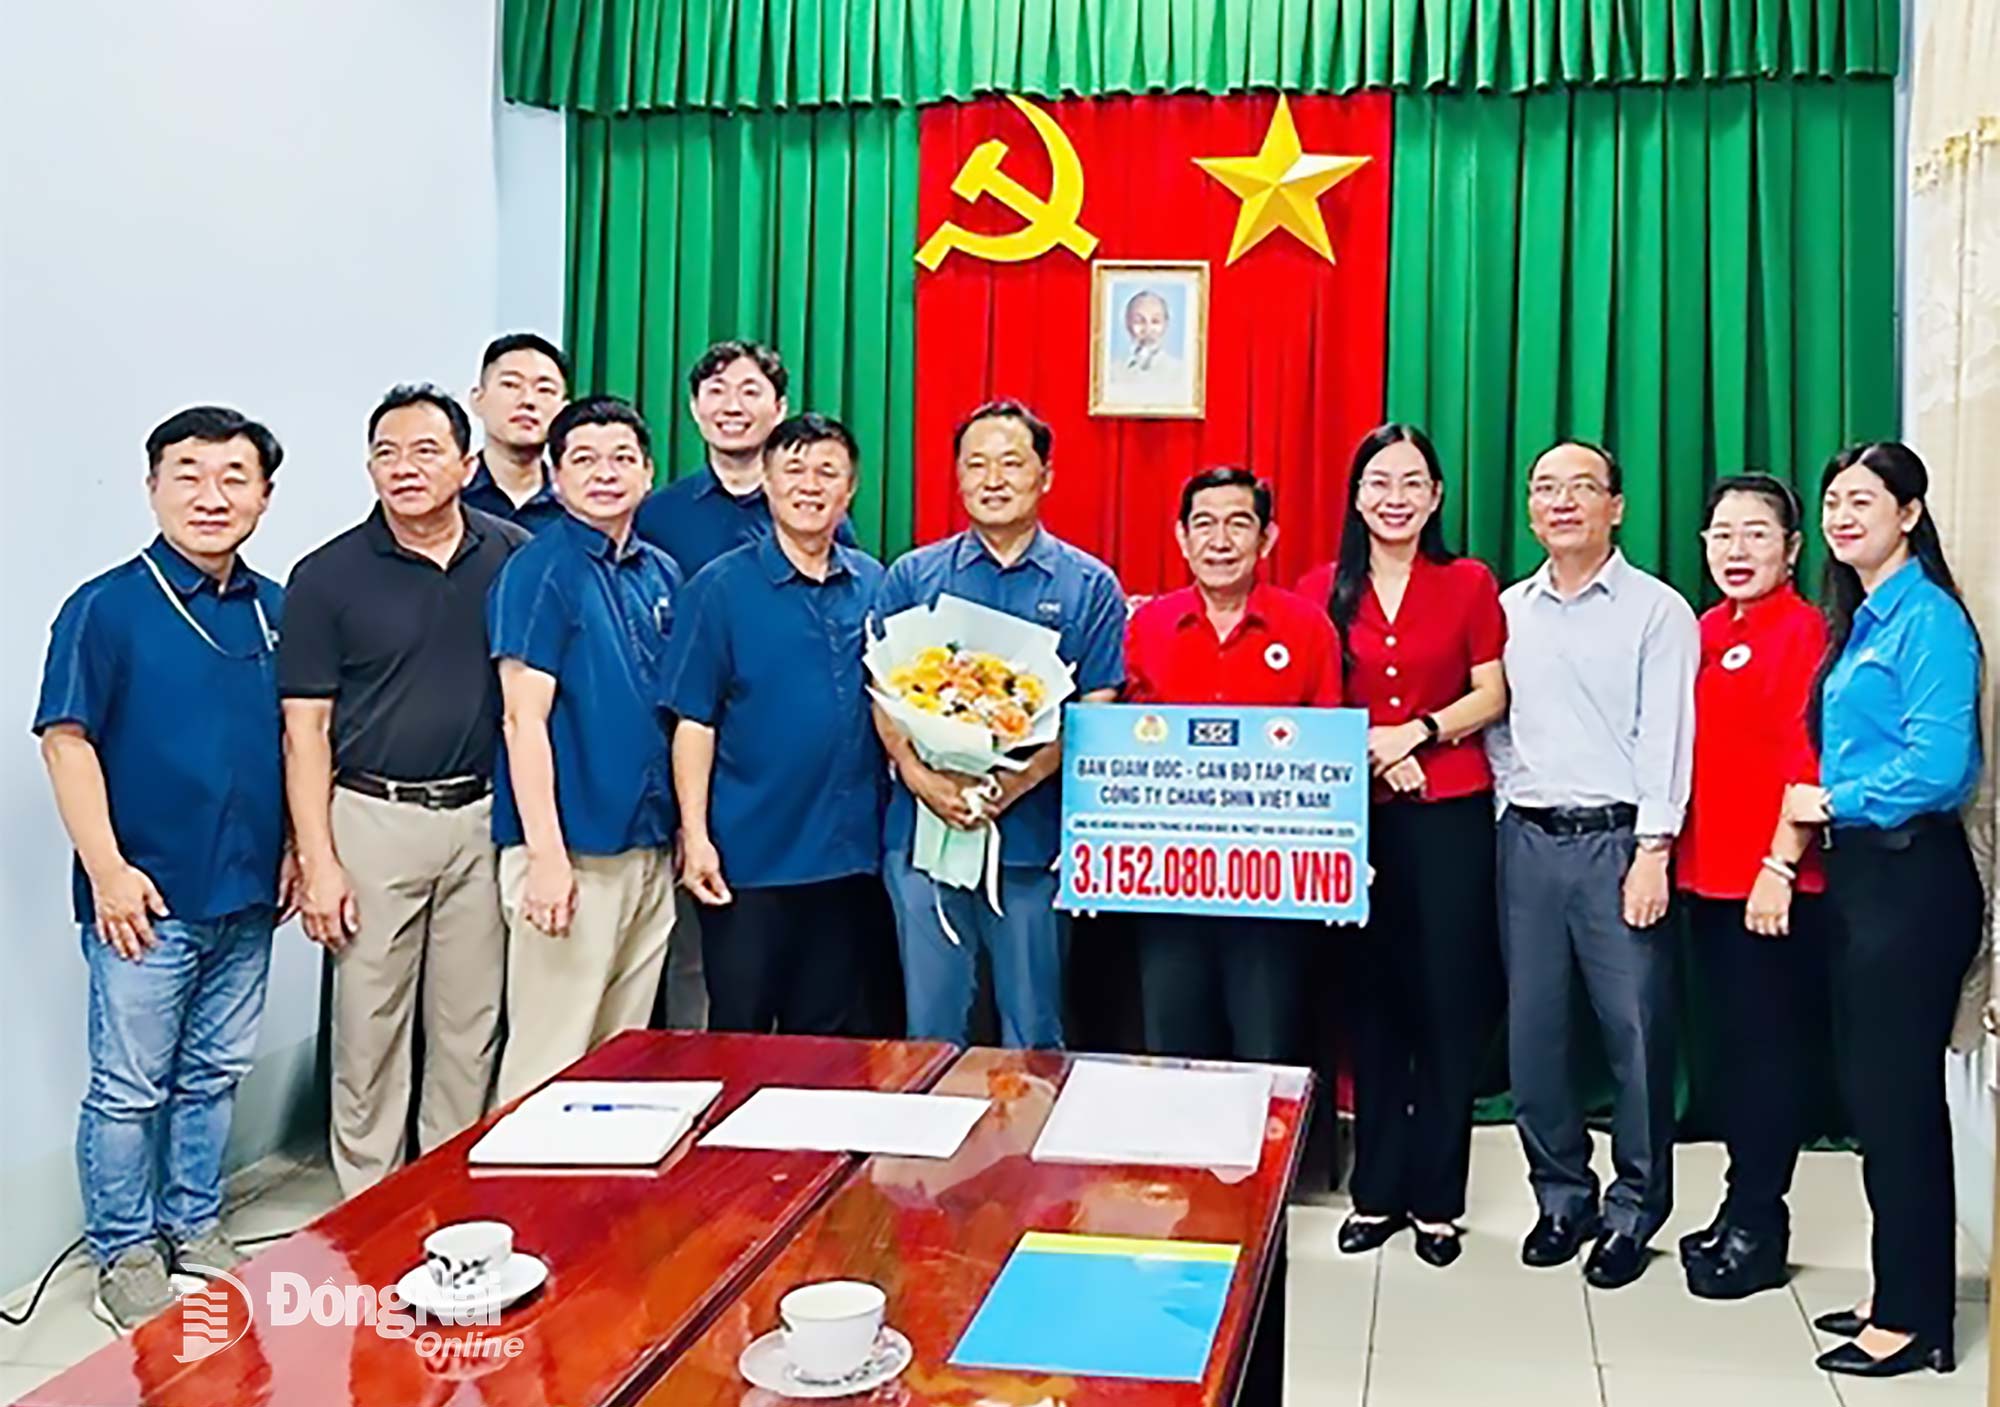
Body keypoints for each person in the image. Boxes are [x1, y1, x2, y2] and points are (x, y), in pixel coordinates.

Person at [34, 407, 292, 1327]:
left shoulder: (274, 607)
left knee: (214, 1072)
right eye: (187, 473)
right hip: (144, 892)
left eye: (234, 476)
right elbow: (66, 742)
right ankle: (124, 1249)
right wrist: (106, 869)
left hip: (250, 887)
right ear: (152, 487)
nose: (211, 494)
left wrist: (297, 847)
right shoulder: (106, 606)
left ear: (264, 495)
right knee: (129, 1084)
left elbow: (295, 742)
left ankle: (194, 1222)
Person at [281, 384, 528, 1196]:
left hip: (480, 818)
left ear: (466, 462)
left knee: (468, 1026)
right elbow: (305, 728)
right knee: (370, 1028)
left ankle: (449, 1197)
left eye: (425, 450)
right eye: (386, 452)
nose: (403, 467)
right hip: (372, 817)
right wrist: (318, 858)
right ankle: (369, 1203)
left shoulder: (512, 555)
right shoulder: (327, 575)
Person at [1781, 442, 1983, 1378]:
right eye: (1832, 500)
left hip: (1913, 880)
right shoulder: (1861, 618)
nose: (1842, 514)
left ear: (1909, 512)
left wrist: (1833, 802)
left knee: (1898, 1100)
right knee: (1873, 1096)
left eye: (1863, 499)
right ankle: (1893, 1285)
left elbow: (1943, 768)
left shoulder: (1929, 621)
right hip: (1866, 880)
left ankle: (1915, 1318)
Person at [1485, 440, 1698, 1290]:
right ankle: (1561, 1196)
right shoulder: (1508, 609)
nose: (1561, 501)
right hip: (1529, 842)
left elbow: (1668, 738)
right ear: (1531, 509)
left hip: (1622, 844)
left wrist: (1654, 848)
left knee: (1637, 1034)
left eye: (1582, 487)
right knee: (1534, 1033)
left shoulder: (1657, 611)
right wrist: (1515, 802)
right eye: (1545, 487)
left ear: (1618, 505)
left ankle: (1635, 1211)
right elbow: (1499, 721)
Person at [1296, 425, 1508, 1270]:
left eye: (1412, 481)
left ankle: (1438, 1199)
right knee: (1372, 1003)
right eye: (1379, 481)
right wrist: (1374, 753)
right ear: (1356, 496)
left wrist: (1418, 734)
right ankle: (1376, 1191)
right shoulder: (1320, 590)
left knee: (1447, 1004)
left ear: (1437, 497)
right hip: (1355, 820)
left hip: (1450, 816)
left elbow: (1491, 691)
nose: (1395, 496)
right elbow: (1307, 707)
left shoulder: (1468, 583)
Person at [872, 399, 1126, 1048]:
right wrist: (920, 774)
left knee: (1034, 1030)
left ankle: (1027, 1152)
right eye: (976, 463)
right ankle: (925, 1153)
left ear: (1045, 475)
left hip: (1032, 844)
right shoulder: (912, 575)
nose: (993, 478)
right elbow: (883, 690)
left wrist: (1016, 782)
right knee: (929, 1031)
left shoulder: (1088, 584)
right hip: (924, 839)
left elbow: (1095, 708)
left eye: (1012, 462)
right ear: (956, 477)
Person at [488, 396, 683, 1101]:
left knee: (618, 1061)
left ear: (649, 470)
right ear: (556, 473)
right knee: (549, 1058)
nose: (606, 474)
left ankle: (592, 1211)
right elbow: (522, 719)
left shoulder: (660, 572)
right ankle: (519, 1209)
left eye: (622, 458)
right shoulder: (541, 569)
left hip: (646, 848)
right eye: (586, 459)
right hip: (570, 857)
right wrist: (544, 857)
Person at [666, 413, 885, 1034]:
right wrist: (696, 834)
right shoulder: (719, 588)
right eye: (793, 469)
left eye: (827, 472)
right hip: (749, 859)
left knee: (829, 1044)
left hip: (848, 861)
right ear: (765, 481)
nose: (809, 485)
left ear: (850, 490)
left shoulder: (876, 584)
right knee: (739, 1036)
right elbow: (693, 721)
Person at [1672, 474, 1831, 1300]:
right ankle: (1739, 1201)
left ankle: (1761, 1229)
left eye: (1756, 534)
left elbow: (1812, 766)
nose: (1737, 551)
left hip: (1773, 885)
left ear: (1792, 548)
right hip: (1706, 877)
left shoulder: (1809, 633)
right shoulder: (1702, 630)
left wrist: (1781, 864)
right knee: (1731, 1053)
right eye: (1722, 535)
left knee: (1769, 1058)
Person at [1124, 467, 1341, 1065]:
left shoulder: (1307, 628)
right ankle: (1175, 1163)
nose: (1220, 541)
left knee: (1269, 1056)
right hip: (1168, 883)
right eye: (1205, 525)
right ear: (1182, 537)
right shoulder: (1146, 627)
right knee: (1174, 1053)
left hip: (1272, 892)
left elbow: (1328, 751)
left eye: (1238, 524)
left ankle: (1266, 1164)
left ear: (1266, 538)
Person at [461, 332, 570, 532]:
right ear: (477, 400)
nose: (528, 400)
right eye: (511, 385)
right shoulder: (449, 497)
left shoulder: (575, 507)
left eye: (544, 390)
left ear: (563, 411)